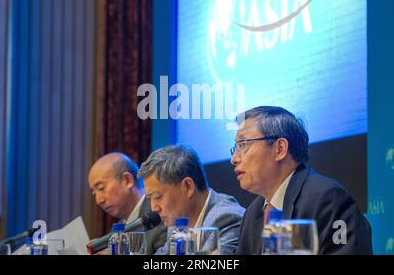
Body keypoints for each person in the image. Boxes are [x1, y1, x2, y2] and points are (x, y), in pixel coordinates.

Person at [230, 106, 373, 255]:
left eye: (243, 144)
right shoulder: (253, 213)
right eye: (236, 148)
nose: (234, 159)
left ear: (280, 148)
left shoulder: (328, 200)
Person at [138, 144, 245, 254]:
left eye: (157, 196)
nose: (154, 208)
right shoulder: (178, 224)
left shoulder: (226, 218)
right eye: (150, 198)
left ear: (188, 187)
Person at [88, 152, 167, 254]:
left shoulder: (159, 217)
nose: (98, 201)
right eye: (94, 193)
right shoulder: (116, 232)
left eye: (101, 188)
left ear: (127, 180)